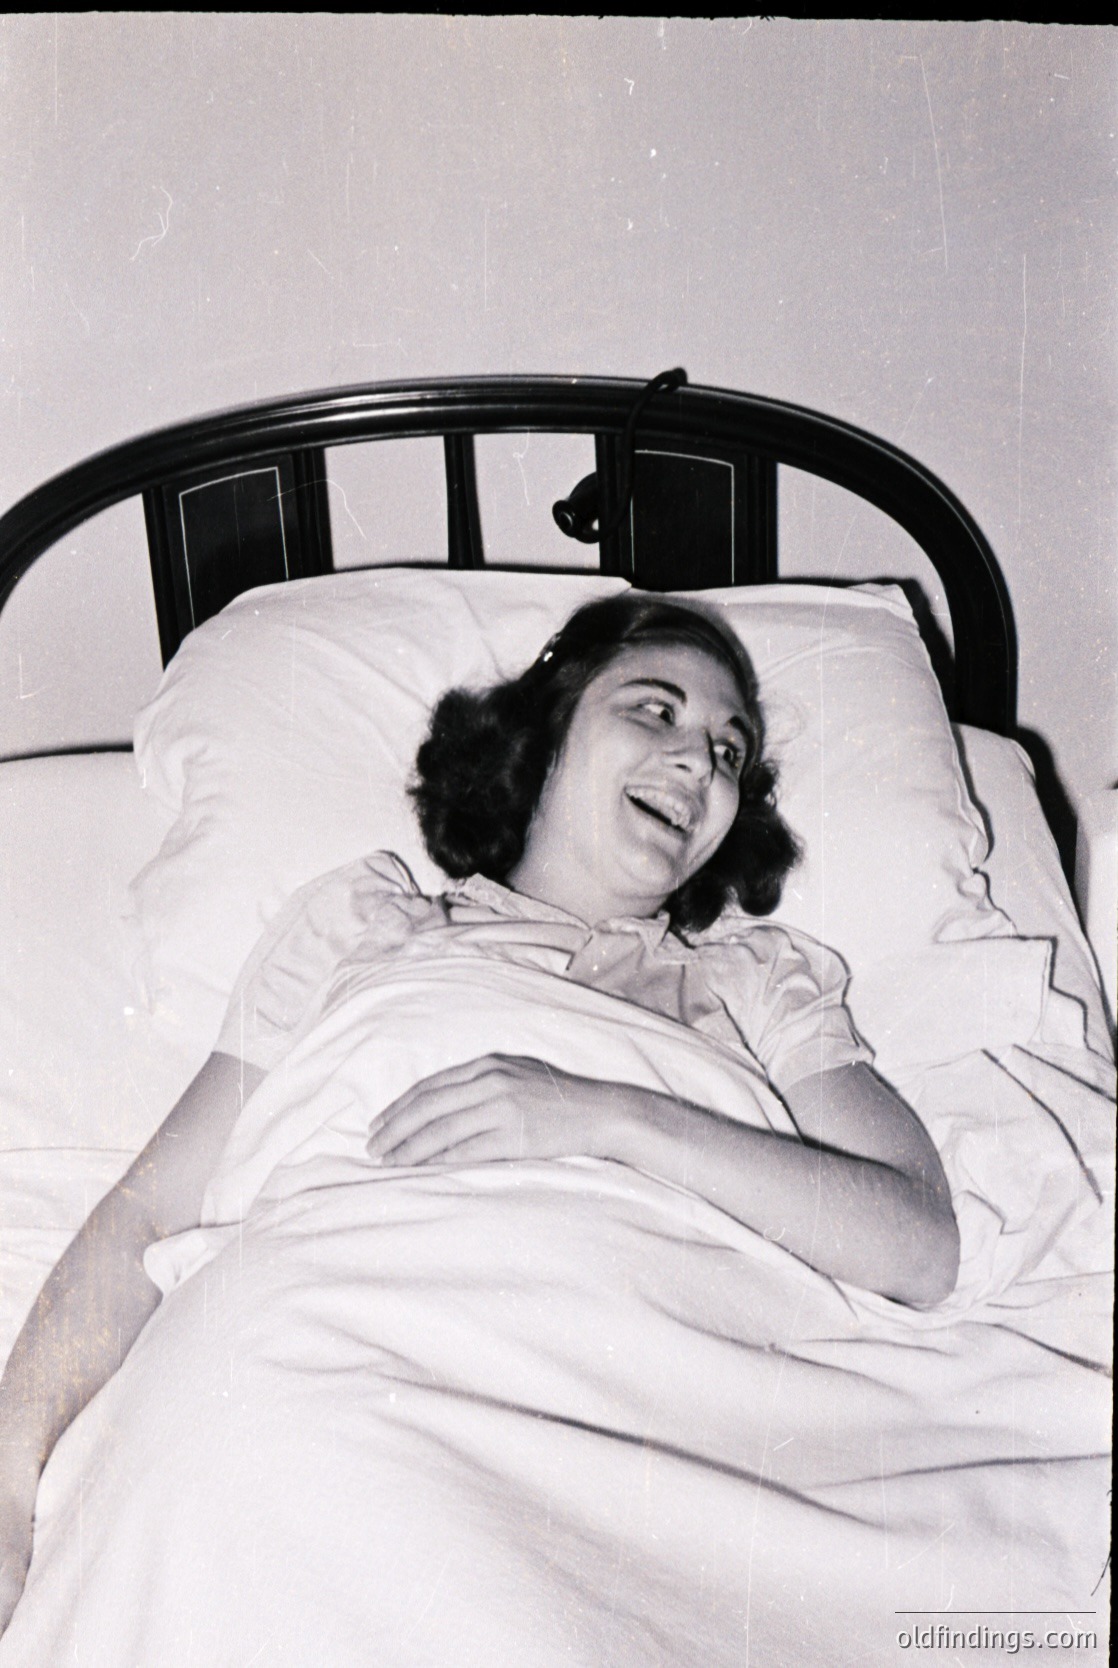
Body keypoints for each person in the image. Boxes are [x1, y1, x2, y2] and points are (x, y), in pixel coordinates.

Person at [0, 594, 959, 1641]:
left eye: (729, 750)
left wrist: (605, 1117)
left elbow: (914, 1242)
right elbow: (150, 1215)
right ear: (544, 734)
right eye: (653, 712)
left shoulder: (751, 984)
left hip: (653, 1404)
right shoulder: (361, 930)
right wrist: (7, 1479)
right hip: (327, 1349)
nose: (699, 764)